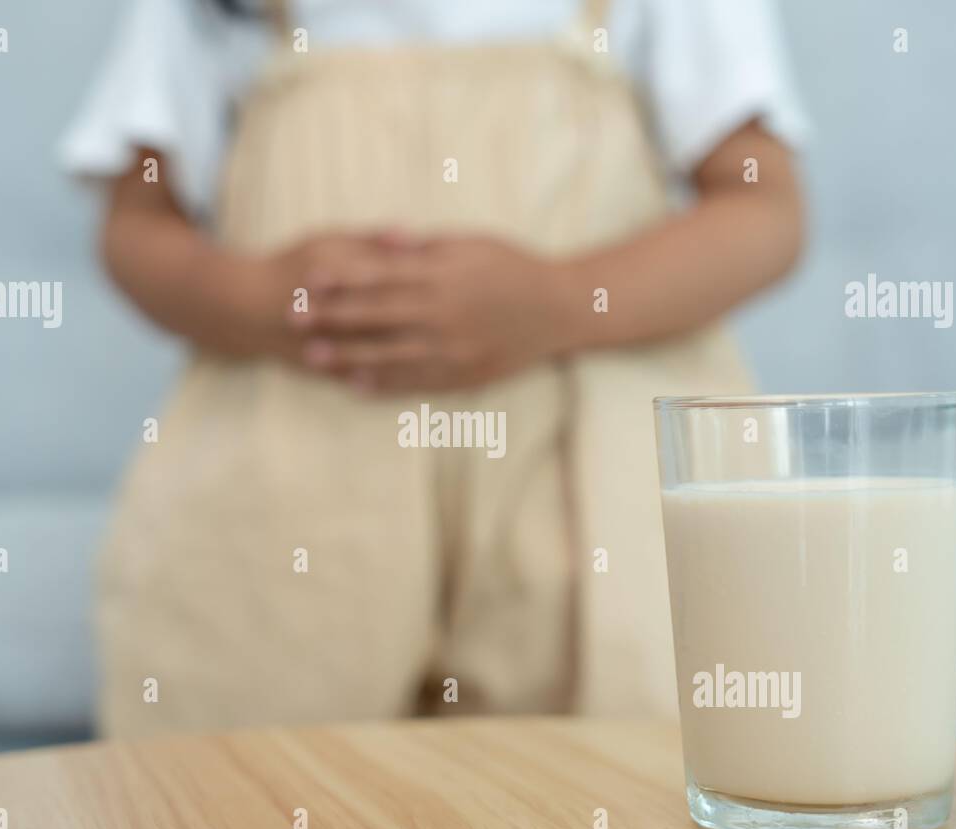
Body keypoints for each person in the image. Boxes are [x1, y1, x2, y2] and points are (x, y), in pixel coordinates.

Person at [59, 0, 808, 736]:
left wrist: (561, 300)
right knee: (245, 801)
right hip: (288, 482)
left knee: (594, 801)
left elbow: (764, 210)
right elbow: (135, 220)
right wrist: (257, 299)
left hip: (586, 483)